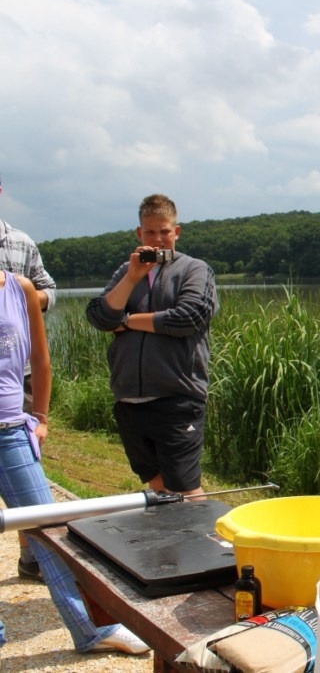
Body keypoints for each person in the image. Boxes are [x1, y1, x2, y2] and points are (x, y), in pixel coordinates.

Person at [0, 271, 150, 654]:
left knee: (50, 531)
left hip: (12, 429)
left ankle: (91, 629)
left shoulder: (20, 288)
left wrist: (42, 417)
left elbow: (40, 357)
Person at [85, 194, 218, 497]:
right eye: (150, 232)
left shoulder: (195, 270)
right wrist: (132, 278)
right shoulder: (126, 271)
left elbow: (188, 318)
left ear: (177, 232)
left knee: (185, 488)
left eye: (164, 232)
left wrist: (128, 320)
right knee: (157, 485)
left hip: (177, 396)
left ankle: (202, 543)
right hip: (129, 398)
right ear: (139, 233)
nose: (157, 240)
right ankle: (169, 545)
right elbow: (99, 316)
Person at [0, 171, 58, 581]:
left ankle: (32, 556)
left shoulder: (21, 242)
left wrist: (22, 298)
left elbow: (49, 290)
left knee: (28, 483)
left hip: (16, 376)